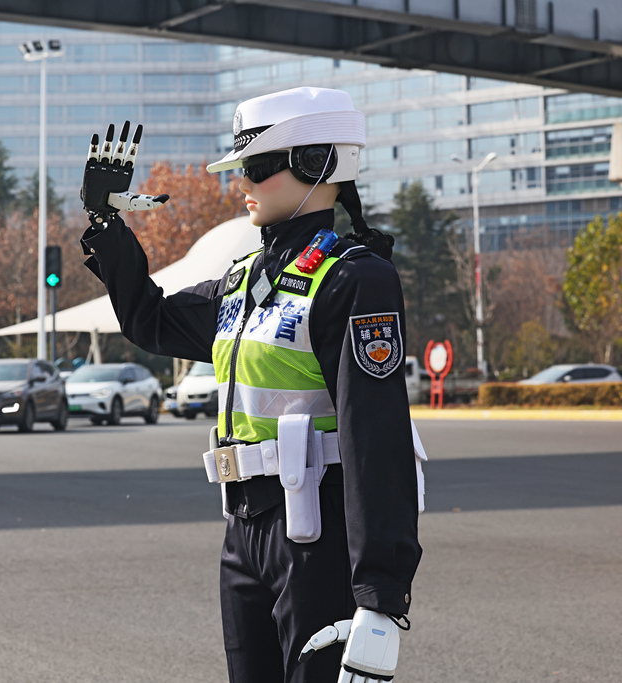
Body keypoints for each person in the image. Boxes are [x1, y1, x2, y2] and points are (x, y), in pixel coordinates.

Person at [78, 87, 423, 683]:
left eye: (259, 168)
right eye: (243, 168)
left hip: (316, 533)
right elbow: (150, 320)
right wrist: (108, 224)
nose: (245, 183)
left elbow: (376, 439)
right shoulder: (244, 280)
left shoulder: (354, 279)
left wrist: (380, 597)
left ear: (318, 165)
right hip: (244, 532)